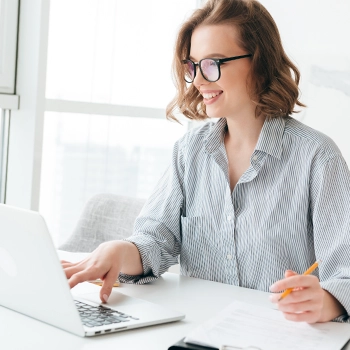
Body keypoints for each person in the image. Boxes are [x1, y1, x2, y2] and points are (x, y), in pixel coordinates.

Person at [62, 0, 350, 324]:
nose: (198, 80)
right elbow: (155, 240)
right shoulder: (189, 152)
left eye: (212, 63)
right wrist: (120, 251)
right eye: (193, 66)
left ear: (259, 62)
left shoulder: (318, 158)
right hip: (195, 332)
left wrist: (328, 301)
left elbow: (346, 273)